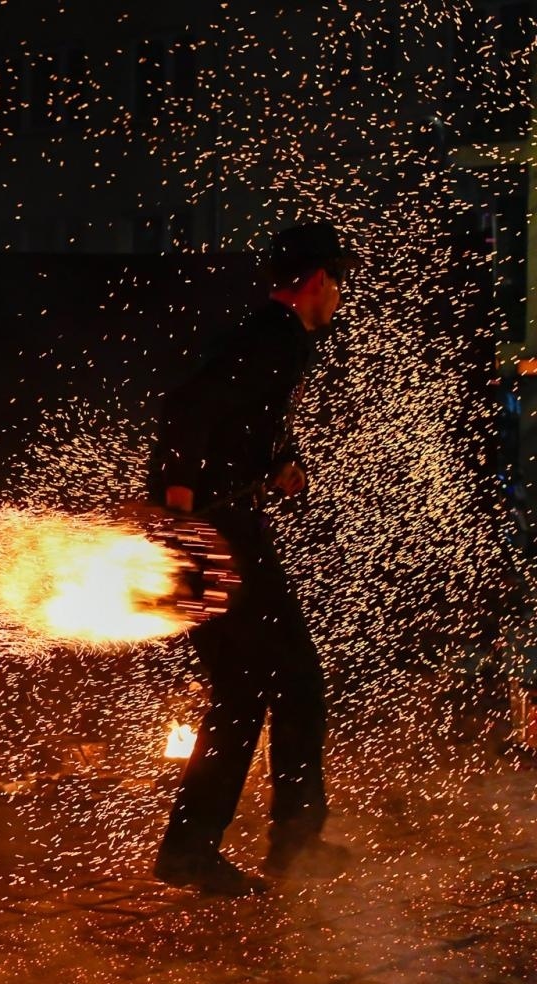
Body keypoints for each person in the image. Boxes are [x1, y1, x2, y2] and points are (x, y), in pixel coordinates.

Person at [150, 221, 356, 896]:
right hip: (219, 532)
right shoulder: (275, 340)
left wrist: (279, 463)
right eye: (338, 287)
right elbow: (186, 409)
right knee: (296, 679)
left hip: (216, 525)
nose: (339, 303)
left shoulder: (270, 342)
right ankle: (293, 843)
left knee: (242, 692)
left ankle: (191, 850)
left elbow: (235, 420)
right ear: (319, 282)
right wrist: (180, 501)